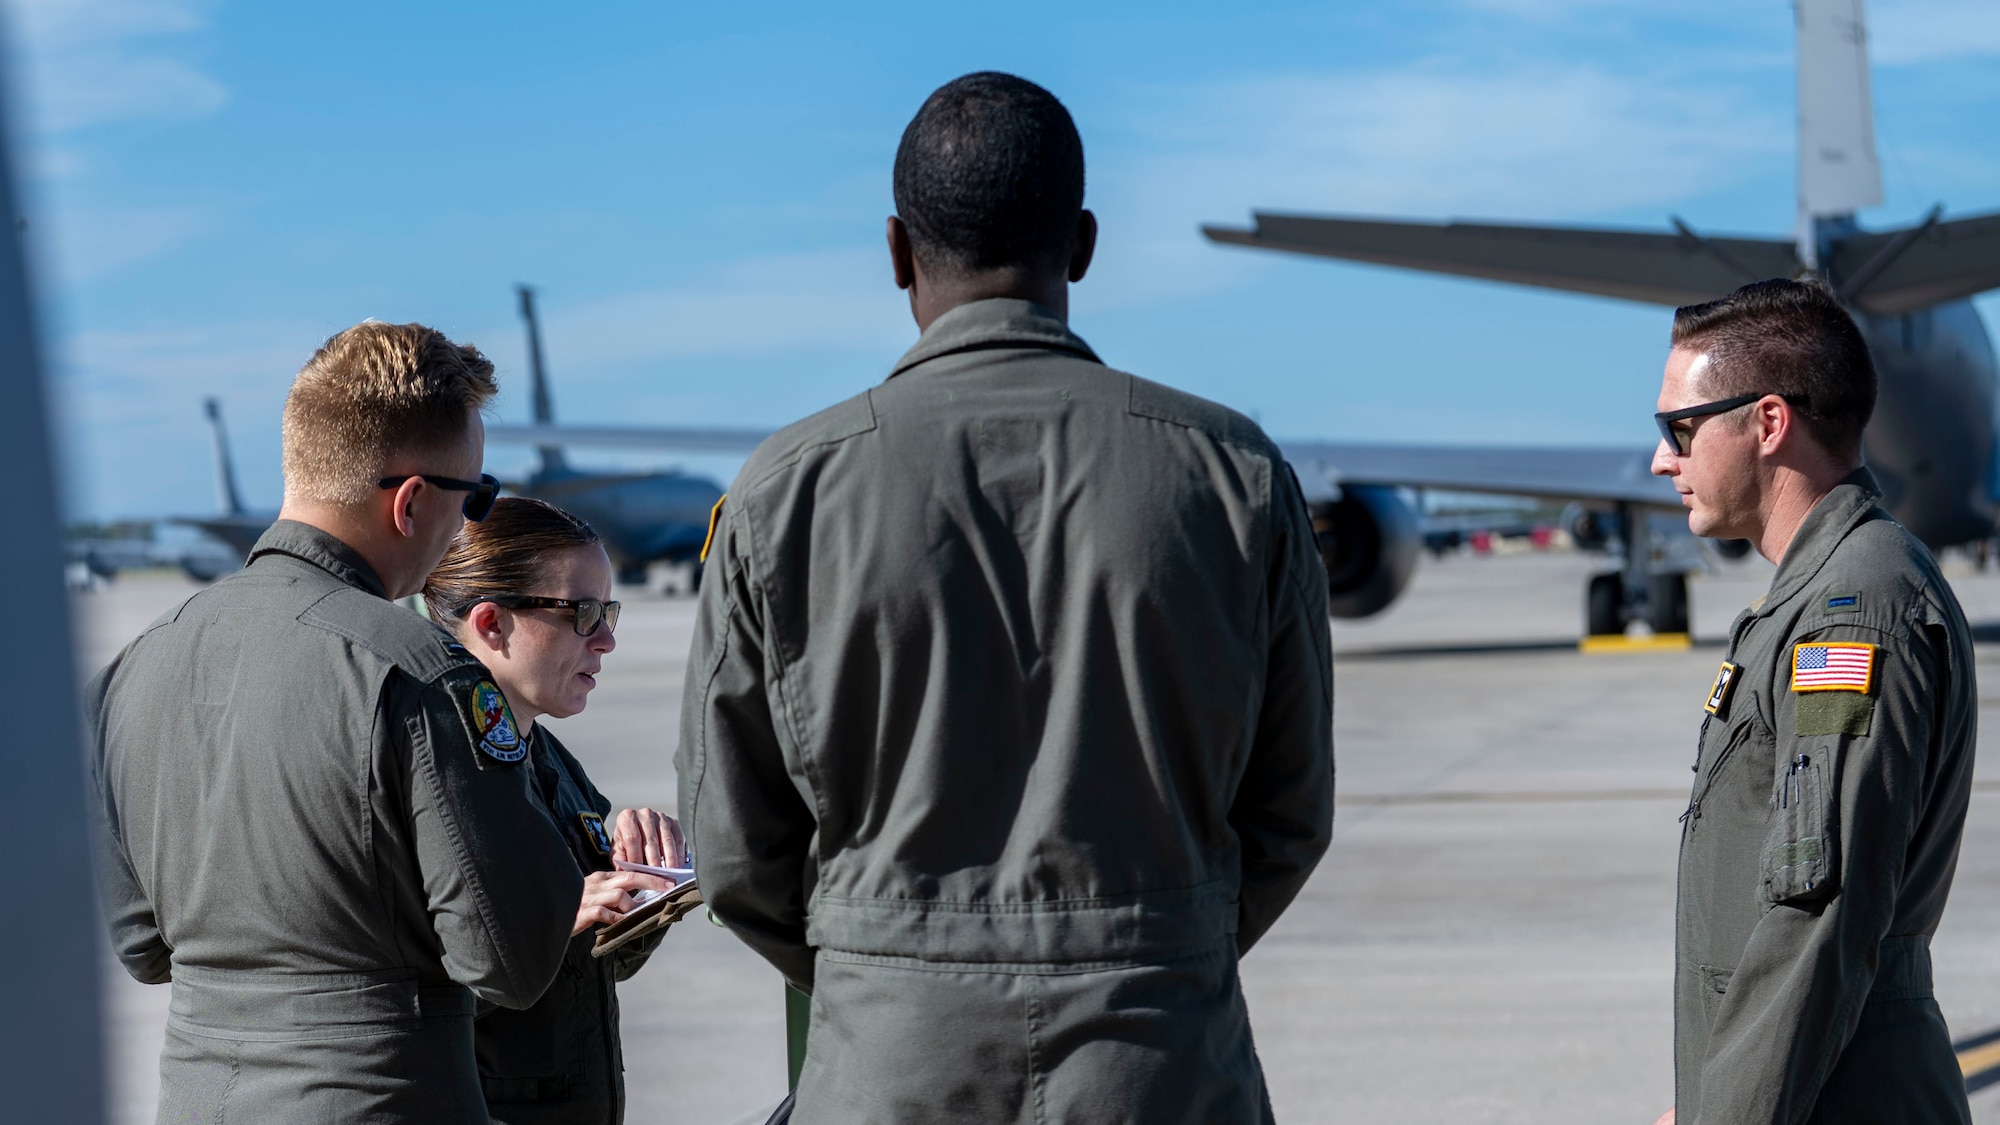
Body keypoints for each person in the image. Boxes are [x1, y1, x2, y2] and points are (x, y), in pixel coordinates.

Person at [678, 71, 1334, 1123]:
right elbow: (1289, 813)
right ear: (1079, 244)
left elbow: (734, 852)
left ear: (897, 251)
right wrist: (1152, 935)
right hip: (1161, 1055)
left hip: (888, 1059)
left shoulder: (784, 490)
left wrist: (884, 961)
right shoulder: (1233, 474)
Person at [86, 322, 584, 1122]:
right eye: (475, 498)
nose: (468, 527)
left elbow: (142, 944)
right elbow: (511, 955)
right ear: (413, 501)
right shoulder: (421, 671)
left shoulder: (132, 668)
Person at [1648, 279, 1975, 1125]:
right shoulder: (1810, 599)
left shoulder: (1854, 609)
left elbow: (1816, 917)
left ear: (1767, 423)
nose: (1662, 460)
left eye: (1679, 429)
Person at [422, 496, 684, 1123]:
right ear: (491, 624)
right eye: (583, 613)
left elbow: (593, 967)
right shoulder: (435, 773)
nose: (608, 639)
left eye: (608, 611)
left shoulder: (550, 762)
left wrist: (647, 891)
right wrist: (548, 921)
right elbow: (394, 995)